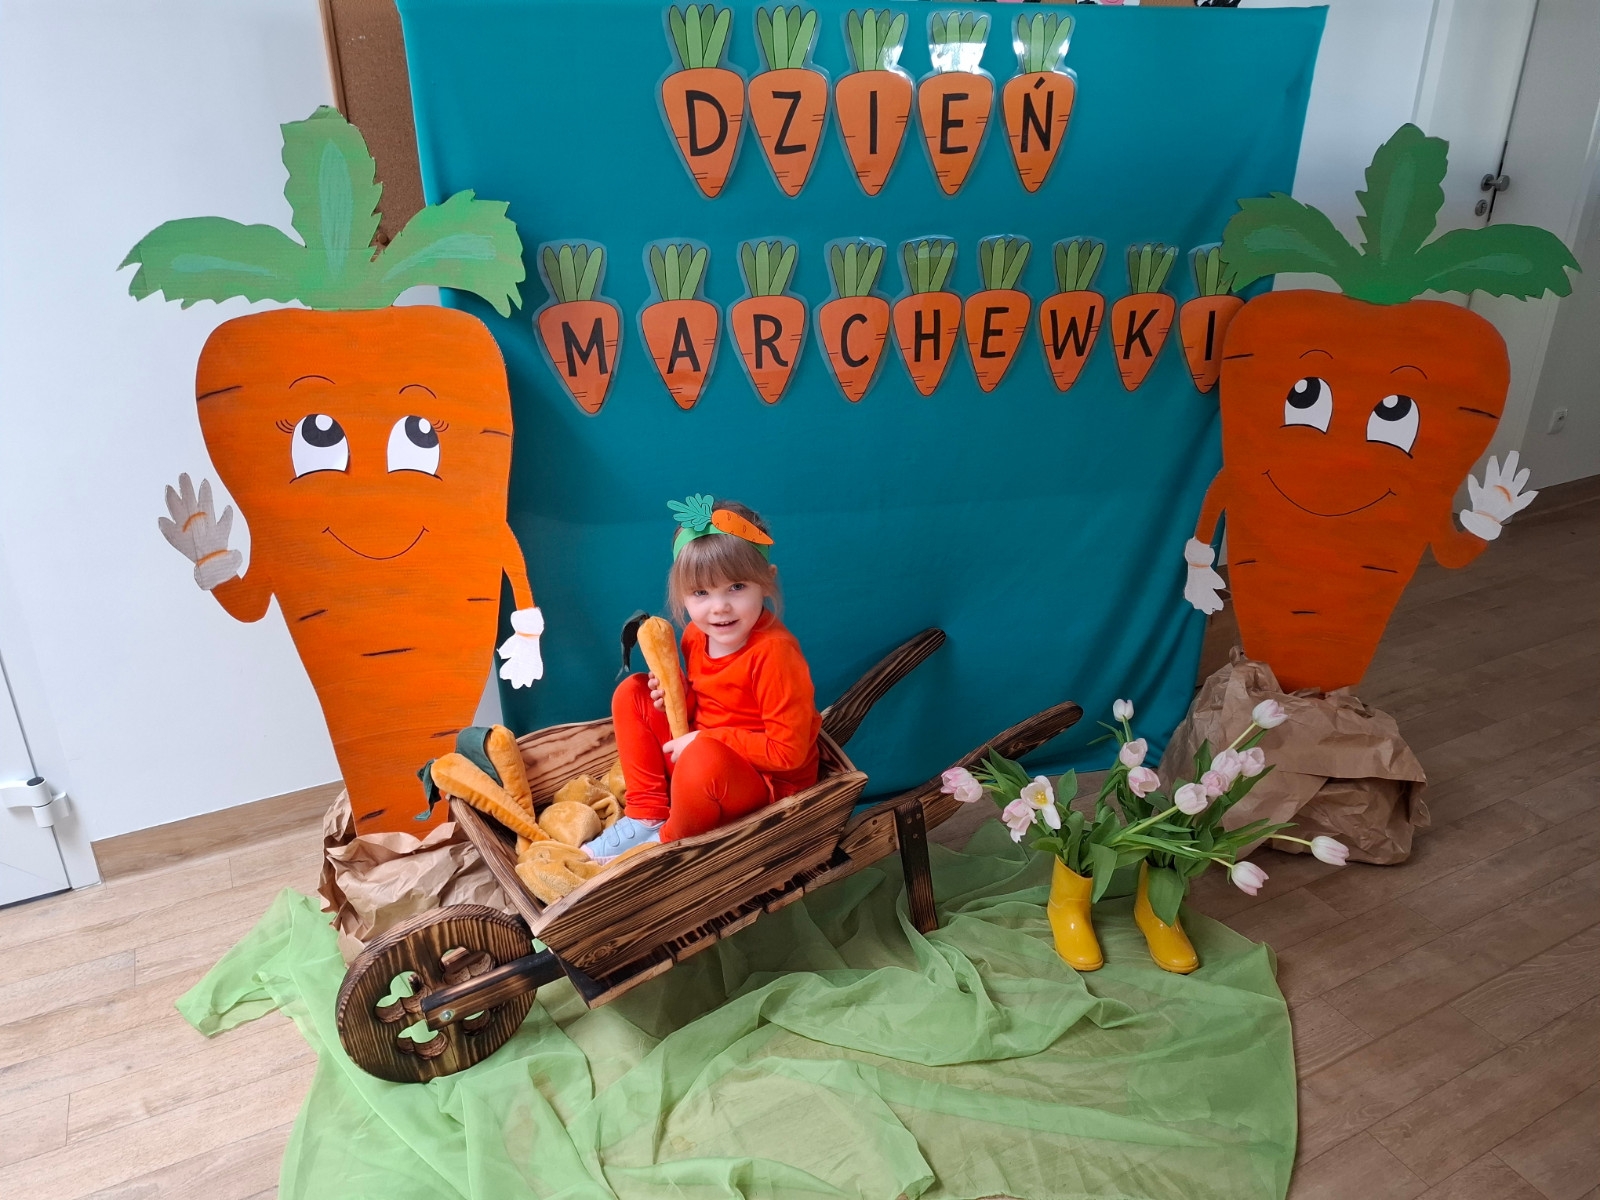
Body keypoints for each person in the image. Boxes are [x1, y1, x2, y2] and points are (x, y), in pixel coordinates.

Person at [583, 495, 820, 862]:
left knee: (703, 759)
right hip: (699, 753)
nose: (719, 607)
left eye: (737, 587)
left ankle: (667, 845)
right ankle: (647, 812)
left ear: (766, 581)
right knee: (632, 692)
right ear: (684, 595)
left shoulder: (774, 654)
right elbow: (707, 704)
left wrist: (706, 739)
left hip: (760, 780)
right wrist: (676, 696)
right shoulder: (696, 635)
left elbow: (787, 754)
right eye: (701, 593)